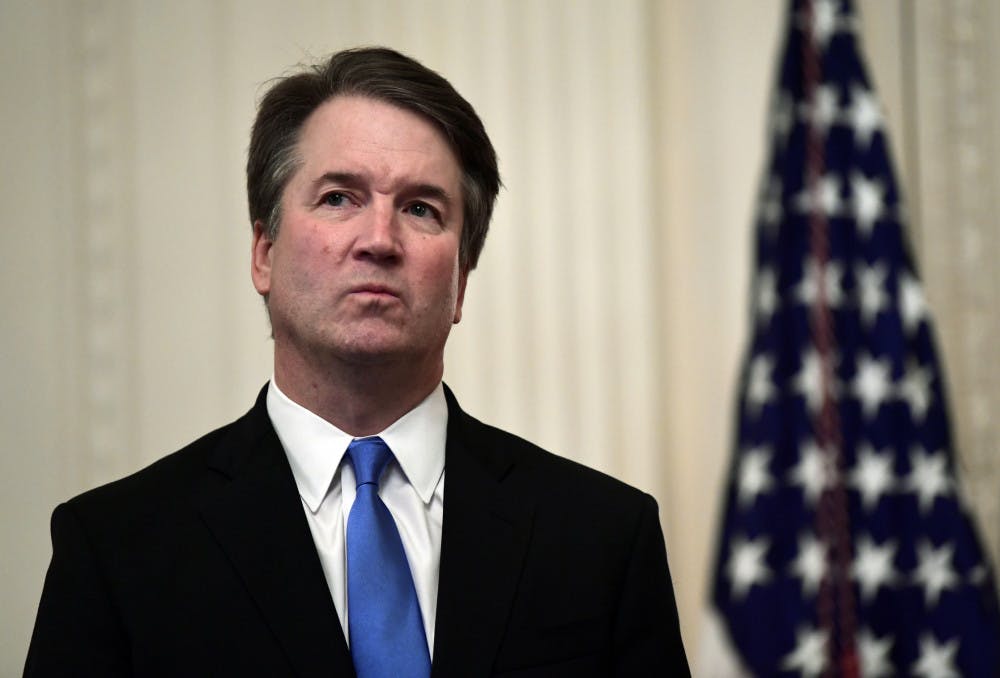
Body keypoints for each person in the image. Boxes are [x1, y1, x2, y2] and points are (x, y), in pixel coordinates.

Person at [24, 47, 689, 677]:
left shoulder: (601, 538)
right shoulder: (117, 549)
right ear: (264, 253)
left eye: (421, 209)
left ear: (461, 280)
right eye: (339, 197)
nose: (379, 240)